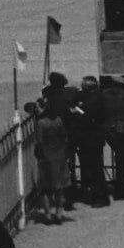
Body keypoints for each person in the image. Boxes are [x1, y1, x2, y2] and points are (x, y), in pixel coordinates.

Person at [41, 71, 80, 208]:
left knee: (52, 169)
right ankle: (69, 199)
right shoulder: (67, 95)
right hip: (66, 136)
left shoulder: (48, 93)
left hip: (51, 138)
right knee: (68, 167)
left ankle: (56, 197)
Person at [75, 75, 110, 207]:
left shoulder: (94, 99)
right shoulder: (96, 96)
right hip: (94, 138)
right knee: (94, 168)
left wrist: (77, 111)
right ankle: (98, 196)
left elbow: (87, 116)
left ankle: (101, 197)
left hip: (91, 138)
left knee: (95, 169)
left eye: (83, 85)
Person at [34, 98, 68, 224]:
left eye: (37, 107)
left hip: (46, 156)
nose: (36, 109)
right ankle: (59, 212)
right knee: (58, 187)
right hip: (58, 155)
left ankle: (48, 214)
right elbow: (64, 137)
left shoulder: (41, 123)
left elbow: (39, 142)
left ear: (43, 108)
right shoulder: (58, 120)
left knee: (44, 188)